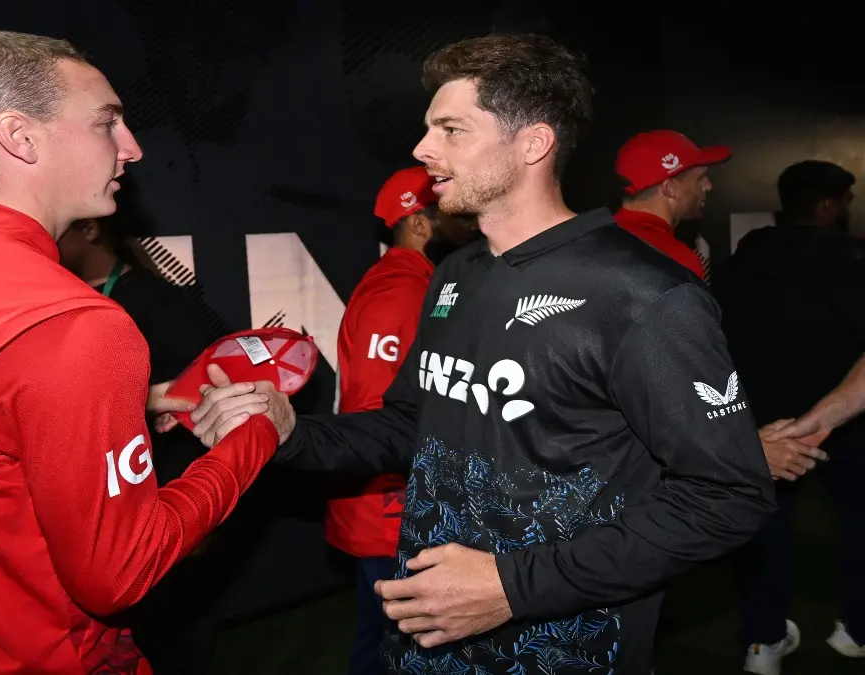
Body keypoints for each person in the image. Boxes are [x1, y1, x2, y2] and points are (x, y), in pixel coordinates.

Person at [187, 33, 775, 673]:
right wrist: (291, 431)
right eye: (427, 128)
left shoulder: (644, 294)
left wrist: (512, 587)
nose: (422, 149)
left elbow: (728, 496)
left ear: (533, 143)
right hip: (425, 633)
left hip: (562, 652)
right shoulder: (455, 274)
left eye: (451, 129)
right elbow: (412, 425)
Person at [0, 30, 286, 675]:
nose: (132, 148)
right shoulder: (71, 323)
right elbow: (122, 573)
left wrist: (128, 404)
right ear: (20, 137)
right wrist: (254, 436)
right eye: (107, 123)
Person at [57, 209, 227, 675]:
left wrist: (196, 520)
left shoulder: (160, 301)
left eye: (60, 228)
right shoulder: (55, 298)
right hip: (91, 512)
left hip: (157, 507)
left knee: (170, 639)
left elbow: (198, 408)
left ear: (90, 229)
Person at [711, 159, 865, 672]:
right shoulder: (853, 260)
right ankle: (857, 630)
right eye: (845, 200)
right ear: (827, 205)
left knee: (765, 531)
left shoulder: (742, 260)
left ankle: (763, 642)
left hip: (768, 425)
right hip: (846, 426)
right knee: (859, 523)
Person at [326, 166, 476, 675]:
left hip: (392, 505)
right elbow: (377, 412)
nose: (466, 224)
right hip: (391, 509)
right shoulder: (401, 291)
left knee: (393, 643)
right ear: (418, 223)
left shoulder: (412, 282)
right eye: (451, 214)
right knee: (399, 649)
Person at [612, 129, 731, 280]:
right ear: (670, 189)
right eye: (700, 178)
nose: (708, 186)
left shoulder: (597, 240)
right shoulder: (677, 261)